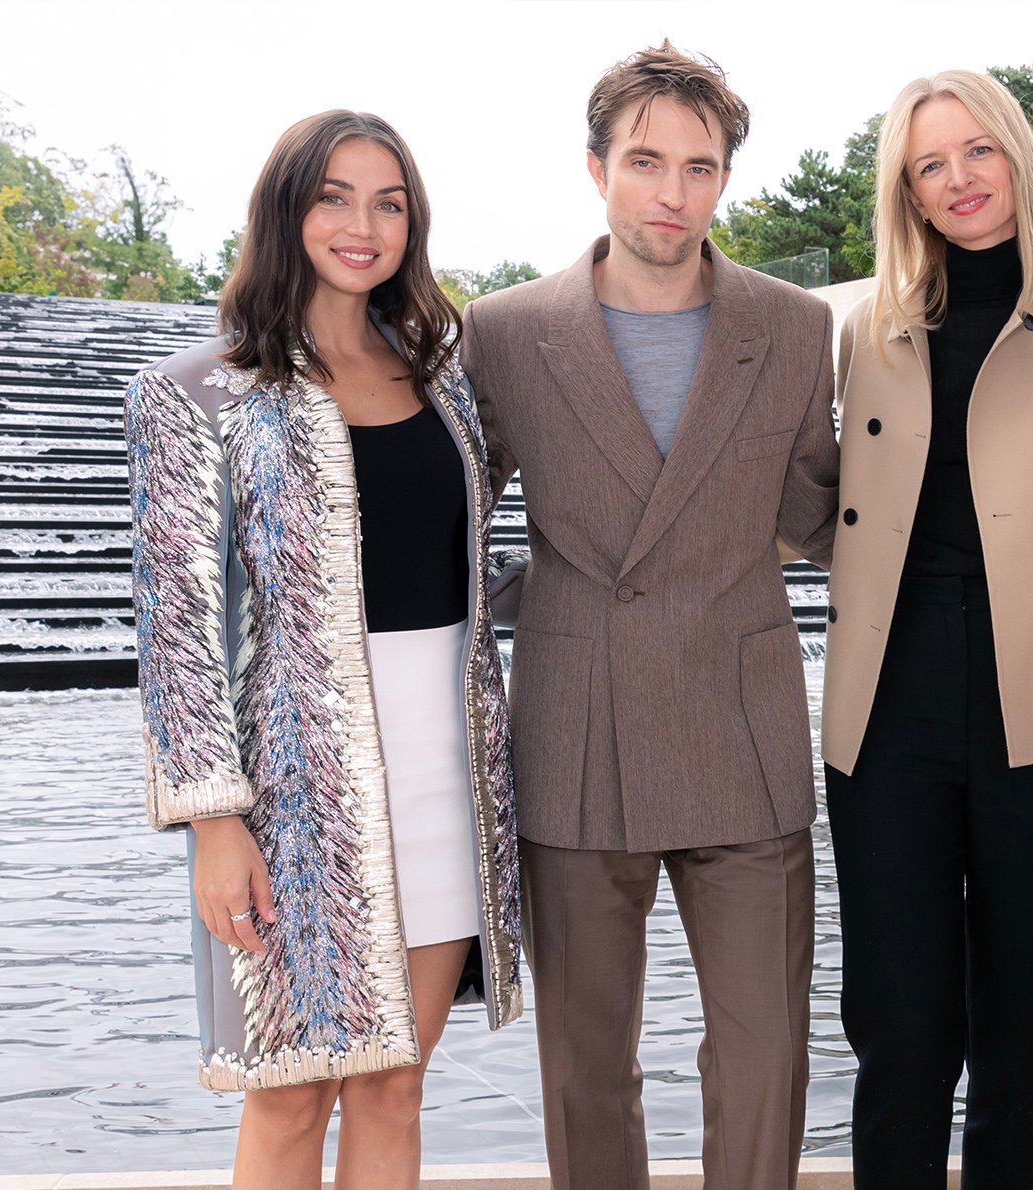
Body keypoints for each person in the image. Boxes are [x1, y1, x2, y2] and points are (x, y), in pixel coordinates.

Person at [459, 43, 837, 1190]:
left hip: (744, 717)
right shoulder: (506, 330)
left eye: (698, 166)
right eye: (644, 161)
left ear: (724, 180)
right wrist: (548, 594)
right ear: (596, 167)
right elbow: (455, 522)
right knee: (583, 1066)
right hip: (578, 728)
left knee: (767, 1053)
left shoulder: (795, 325)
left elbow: (817, 509)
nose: (670, 192)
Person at [123, 110, 522, 1190]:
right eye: (335, 197)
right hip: (292, 798)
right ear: (285, 210)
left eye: (388, 201)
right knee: (291, 1089)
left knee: (396, 1081)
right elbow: (176, 633)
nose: (363, 223)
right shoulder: (195, 394)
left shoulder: (441, 380)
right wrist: (215, 821)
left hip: (445, 774)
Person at [820, 69, 1033, 1188]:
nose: (957, 180)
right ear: (906, 189)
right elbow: (834, 502)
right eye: (927, 164)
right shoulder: (875, 328)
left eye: (976, 151)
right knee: (896, 1030)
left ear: (1017, 156)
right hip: (889, 698)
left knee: (1022, 1033)